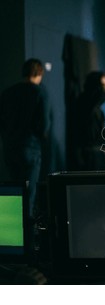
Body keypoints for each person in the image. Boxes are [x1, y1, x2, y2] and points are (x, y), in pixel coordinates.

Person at [0, 58, 50, 218]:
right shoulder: (40, 92)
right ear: (39, 73)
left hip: (10, 148)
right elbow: (44, 124)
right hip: (30, 147)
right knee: (29, 194)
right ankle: (28, 239)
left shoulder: (8, 92)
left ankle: (15, 237)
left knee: (14, 193)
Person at [73, 71, 105, 170]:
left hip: (96, 149)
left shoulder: (96, 108)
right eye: (102, 85)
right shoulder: (87, 102)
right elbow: (102, 94)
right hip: (89, 152)